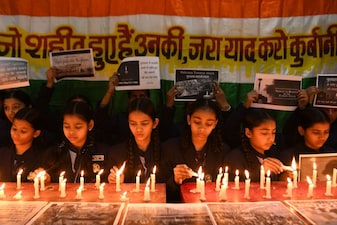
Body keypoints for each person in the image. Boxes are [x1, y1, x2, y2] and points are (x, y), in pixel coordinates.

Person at [160, 98, 231, 202]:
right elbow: (160, 190)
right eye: (197, 122)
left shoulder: (223, 151)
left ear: (215, 123)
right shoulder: (170, 149)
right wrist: (175, 180)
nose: (202, 129)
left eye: (208, 124)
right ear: (189, 120)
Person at [44, 101, 112, 183]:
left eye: (78, 127)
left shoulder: (104, 151)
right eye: (67, 126)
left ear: (90, 125)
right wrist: (46, 178)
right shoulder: (55, 152)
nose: (71, 132)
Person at [107, 97, 161, 184]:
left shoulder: (166, 151)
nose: (138, 129)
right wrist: (115, 182)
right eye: (133, 124)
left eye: (144, 123)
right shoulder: (116, 153)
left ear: (155, 123)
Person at [224, 108, 284, 182]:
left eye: (273, 133)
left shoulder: (274, 153)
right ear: (248, 133)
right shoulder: (235, 158)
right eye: (264, 133)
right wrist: (260, 172)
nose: (271, 138)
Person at [0, 108, 47, 182]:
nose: (16, 135)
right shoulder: (3, 154)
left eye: (23, 131)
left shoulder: (43, 157)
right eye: (14, 129)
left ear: (36, 133)